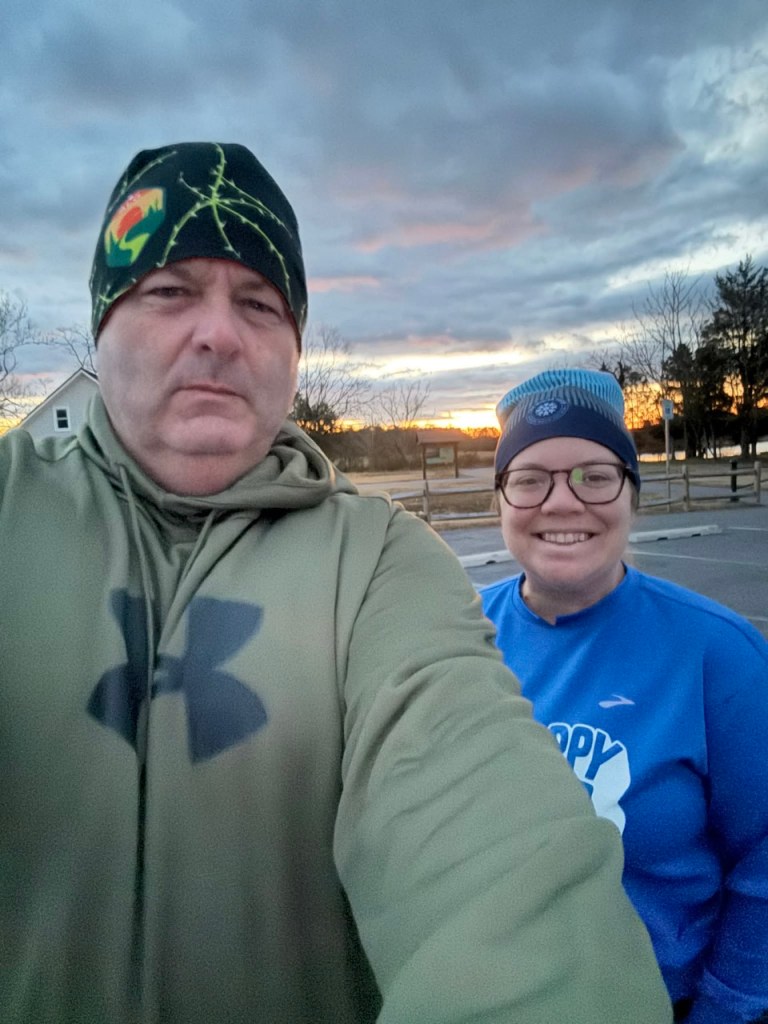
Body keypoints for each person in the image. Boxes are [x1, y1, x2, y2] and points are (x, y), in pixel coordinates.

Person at [0, 144, 672, 1024]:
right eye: (169, 291)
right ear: (103, 323)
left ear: (292, 348)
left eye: (259, 303)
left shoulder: (381, 563)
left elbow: (498, 861)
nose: (218, 332)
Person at [480, 368, 768, 1024]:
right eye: (529, 479)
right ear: (500, 500)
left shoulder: (717, 654)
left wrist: (727, 1011)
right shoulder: (458, 638)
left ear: (630, 494)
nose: (561, 502)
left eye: (594, 474)